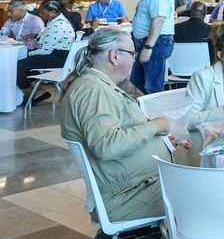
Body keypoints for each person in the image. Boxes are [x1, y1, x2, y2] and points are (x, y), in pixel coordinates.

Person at [61, 27, 171, 222]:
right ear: (114, 56)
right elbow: (107, 146)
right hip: (128, 196)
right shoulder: (93, 90)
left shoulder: (96, 85)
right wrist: (154, 126)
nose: (134, 60)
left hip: (137, 185)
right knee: (213, 192)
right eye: (132, 54)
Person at [131, 0, 176, 94]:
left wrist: (148, 47)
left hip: (155, 43)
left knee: (152, 86)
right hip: (149, 42)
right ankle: (146, 111)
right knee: (137, 80)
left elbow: (158, 20)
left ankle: (154, 114)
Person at [16, 0, 75, 99]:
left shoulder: (58, 25)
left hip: (58, 58)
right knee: (26, 63)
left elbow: (45, 51)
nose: (40, 15)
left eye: (42, 13)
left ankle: (29, 95)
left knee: (18, 65)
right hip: (56, 55)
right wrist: (36, 37)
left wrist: (28, 54)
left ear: (52, 12)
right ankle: (39, 91)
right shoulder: (54, 21)